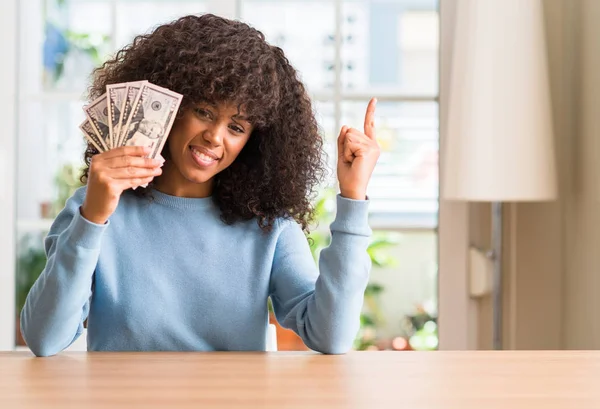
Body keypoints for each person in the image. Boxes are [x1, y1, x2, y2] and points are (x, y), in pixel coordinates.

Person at [20, 13, 380, 357]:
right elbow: (44, 337)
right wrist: (92, 219)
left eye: (236, 127)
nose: (214, 137)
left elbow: (330, 336)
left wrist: (352, 199)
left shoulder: (269, 229)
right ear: (170, 105)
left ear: (254, 142)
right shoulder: (94, 208)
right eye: (204, 112)